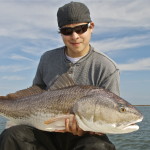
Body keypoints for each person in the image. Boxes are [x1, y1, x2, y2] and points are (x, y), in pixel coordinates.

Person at [0, 2, 120, 150]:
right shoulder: (47, 58)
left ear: (91, 27)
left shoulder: (107, 67)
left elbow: (108, 117)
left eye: (81, 29)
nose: (75, 36)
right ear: (61, 33)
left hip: (85, 137)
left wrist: (84, 128)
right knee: (11, 135)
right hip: (45, 129)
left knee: (99, 147)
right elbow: (37, 90)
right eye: (67, 31)